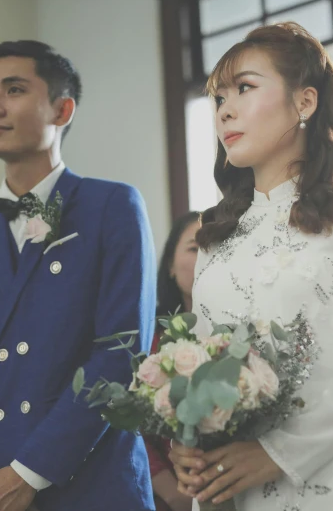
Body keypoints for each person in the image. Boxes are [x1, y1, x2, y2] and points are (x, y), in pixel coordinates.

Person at [169, 22, 333, 510]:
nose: (225, 110)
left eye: (244, 88)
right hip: (228, 485)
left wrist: (280, 453)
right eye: (218, 98)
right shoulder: (215, 231)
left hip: (329, 476)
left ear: (304, 102)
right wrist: (187, 439)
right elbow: (200, 365)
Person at [0, 40, 157, 511]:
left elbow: (121, 350)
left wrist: (28, 473)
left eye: (13, 90)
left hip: (91, 487)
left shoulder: (112, 207)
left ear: (62, 108)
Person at [146, 212, 200, 511]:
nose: (207, 255)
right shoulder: (146, 337)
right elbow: (127, 426)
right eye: (194, 248)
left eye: (217, 245)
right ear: (169, 264)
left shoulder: (247, 338)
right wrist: (171, 491)